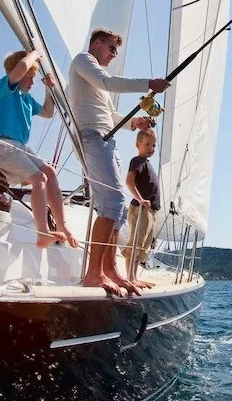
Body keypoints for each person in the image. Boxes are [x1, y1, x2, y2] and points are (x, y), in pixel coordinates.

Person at [68, 28, 170, 294]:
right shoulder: (84, 61)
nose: (114, 55)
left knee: (119, 208)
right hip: (92, 138)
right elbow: (108, 82)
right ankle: (93, 274)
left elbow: (110, 114)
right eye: (112, 49)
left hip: (106, 140)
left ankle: (110, 270)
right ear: (97, 43)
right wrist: (149, 83)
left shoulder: (95, 79)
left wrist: (134, 123)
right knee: (113, 202)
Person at [0, 50, 78, 249]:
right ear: (17, 73)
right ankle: (42, 233)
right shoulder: (2, 88)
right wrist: (35, 52)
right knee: (39, 178)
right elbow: (21, 68)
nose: (32, 82)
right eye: (30, 77)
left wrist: (49, 89)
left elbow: (47, 112)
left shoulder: (26, 99)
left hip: (18, 148)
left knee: (50, 172)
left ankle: (62, 226)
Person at [123, 128, 160, 288]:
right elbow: (129, 181)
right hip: (141, 208)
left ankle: (134, 277)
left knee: (143, 246)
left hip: (151, 211)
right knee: (136, 244)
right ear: (137, 144)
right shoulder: (137, 161)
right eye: (147, 145)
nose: (151, 148)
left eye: (153, 145)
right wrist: (140, 199)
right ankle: (130, 278)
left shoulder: (147, 163)